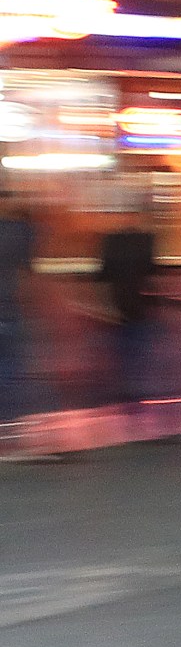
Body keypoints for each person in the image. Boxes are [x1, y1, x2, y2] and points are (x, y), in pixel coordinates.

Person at [95, 206, 163, 409]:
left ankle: (127, 385)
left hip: (120, 298)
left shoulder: (112, 241)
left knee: (124, 344)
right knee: (138, 342)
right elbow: (152, 270)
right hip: (139, 299)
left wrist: (103, 302)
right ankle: (137, 386)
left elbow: (103, 273)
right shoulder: (145, 240)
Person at [0, 190, 46, 461]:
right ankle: (12, 427)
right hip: (8, 307)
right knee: (12, 367)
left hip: (8, 307)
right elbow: (28, 264)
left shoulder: (15, 230)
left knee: (9, 367)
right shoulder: (18, 231)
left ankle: (10, 425)